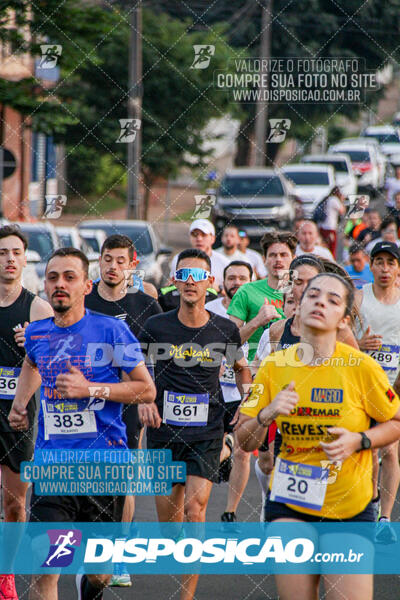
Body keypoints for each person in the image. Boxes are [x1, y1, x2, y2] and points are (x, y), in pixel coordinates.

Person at [237, 271, 400, 600]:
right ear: (298, 305)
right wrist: (268, 414)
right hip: (290, 503)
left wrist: (360, 441)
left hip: (348, 508)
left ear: (343, 319)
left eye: (333, 299)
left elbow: (396, 421)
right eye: (313, 295)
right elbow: (244, 440)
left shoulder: (361, 368)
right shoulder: (274, 366)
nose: (320, 303)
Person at [8, 247, 156, 600]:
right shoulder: (37, 334)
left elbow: (146, 389)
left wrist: (90, 389)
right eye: (53, 277)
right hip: (54, 467)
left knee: (100, 574)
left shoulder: (111, 331)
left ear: (86, 286)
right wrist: (20, 403)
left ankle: (90, 586)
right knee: (46, 568)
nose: (61, 284)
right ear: (44, 284)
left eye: (70, 277)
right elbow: (31, 364)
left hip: (103, 466)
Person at [138, 248, 252, 600]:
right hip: (163, 430)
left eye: (197, 276)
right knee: (170, 532)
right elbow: (135, 370)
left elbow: (241, 369)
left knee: (195, 508)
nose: (190, 282)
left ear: (210, 283)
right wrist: (143, 399)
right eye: (183, 275)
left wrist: (249, 399)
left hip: (206, 430)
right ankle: (228, 449)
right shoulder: (156, 326)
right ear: (174, 282)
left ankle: (187, 596)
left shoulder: (224, 329)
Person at [85, 234, 162, 587]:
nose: (112, 266)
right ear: (98, 261)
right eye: (107, 259)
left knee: (121, 480)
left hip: (126, 403)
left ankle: (116, 554)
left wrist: (150, 399)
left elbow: (160, 357)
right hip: (82, 402)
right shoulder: (81, 301)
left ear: (132, 265)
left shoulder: (145, 306)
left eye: (120, 261)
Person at [0, 225, 53, 600]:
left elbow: (60, 364)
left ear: (25, 257)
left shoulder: (38, 308)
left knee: (15, 505)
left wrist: (36, 346)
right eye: (2, 252)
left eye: (15, 252)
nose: (9, 259)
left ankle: (6, 574)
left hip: (18, 416)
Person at [354, 241, 400, 541]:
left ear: (398, 268)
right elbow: (340, 341)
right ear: (371, 265)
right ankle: (368, 508)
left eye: (391, 263)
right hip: (360, 384)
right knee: (368, 448)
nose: (384, 268)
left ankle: (385, 517)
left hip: (394, 384)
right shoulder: (358, 298)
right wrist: (360, 346)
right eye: (379, 262)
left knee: (392, 450)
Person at [207, 260, 253, 525]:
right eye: (232, 278)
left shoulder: (260, 309)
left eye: (242, 278)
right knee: (210, 449)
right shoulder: (209, 310)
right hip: (214, 392)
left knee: (243, 451)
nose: (236, 283)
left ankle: (230, 511)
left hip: (241, 390)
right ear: (222, 283)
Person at [227, 231, 297, 362]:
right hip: (257, 371)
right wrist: (256, 322)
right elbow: (230, 342)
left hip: (296, 368)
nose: (278, 260)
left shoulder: (303, 293)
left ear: (293, 258)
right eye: (272, 255)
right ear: (264, 259)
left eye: (283, 255)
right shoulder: (246, 291)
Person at [169, 219, 229, 291]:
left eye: (204, 235)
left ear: (212, 238)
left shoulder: (224, 263)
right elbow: (171, 285)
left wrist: (219, 289)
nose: (199, 239)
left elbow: (231, 294)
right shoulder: (179, 259)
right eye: (194, 235)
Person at [317, 186, 346, 258]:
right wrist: (342, 200)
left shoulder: (327, 199)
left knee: (324, 246)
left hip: (322, 226)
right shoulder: (334, 200)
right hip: (329, 227)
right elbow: (342, 211)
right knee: (332, 247)